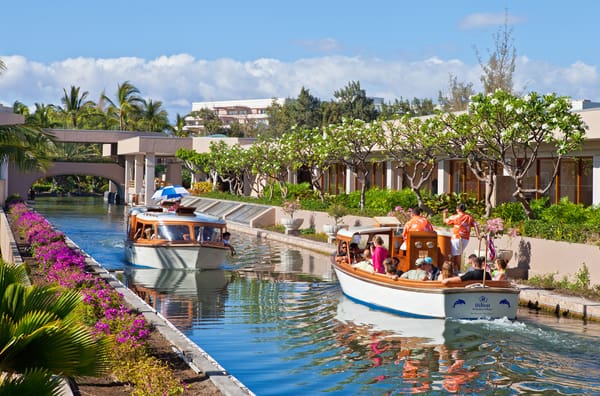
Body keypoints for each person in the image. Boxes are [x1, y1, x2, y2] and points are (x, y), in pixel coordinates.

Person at [443, 203, 481, 275]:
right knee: (457, 253)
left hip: (457, 237)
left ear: (458, 209)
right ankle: (455, 270)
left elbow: (445, 221)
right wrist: (478, 235)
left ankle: (457, 271)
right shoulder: (469, 217)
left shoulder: (455, 217)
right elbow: (476, 225)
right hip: (465, 239)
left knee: (456, 254)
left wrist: (444, 213)